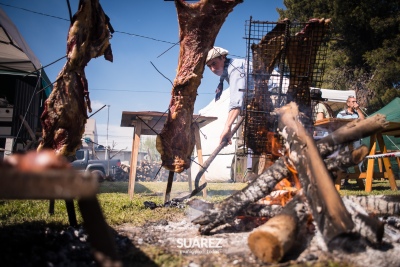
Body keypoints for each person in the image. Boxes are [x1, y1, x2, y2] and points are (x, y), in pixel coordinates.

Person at [206, 46, 257, 181]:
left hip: (278, 96)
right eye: (209, 66)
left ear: (223, 58)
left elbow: (236, 102)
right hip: (259, 104)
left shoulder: (235, 69)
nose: (212, 69)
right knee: (255, 140)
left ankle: (259, 176)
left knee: (264, 141)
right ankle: (257, 177)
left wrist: (227, 127)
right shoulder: (229, 71)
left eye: (214, 63)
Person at [336, 95, 366, 184]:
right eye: (353, 102)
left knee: (359, 157)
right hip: (345, 139)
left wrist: (358, 109)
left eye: (355, 101)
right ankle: (344, 179)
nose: (355, 103)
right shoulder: (341, 114)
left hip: (356, 139)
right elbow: (338, 126)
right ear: (348, 103)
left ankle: (360, 178)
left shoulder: (357, 114)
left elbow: (363, 120)